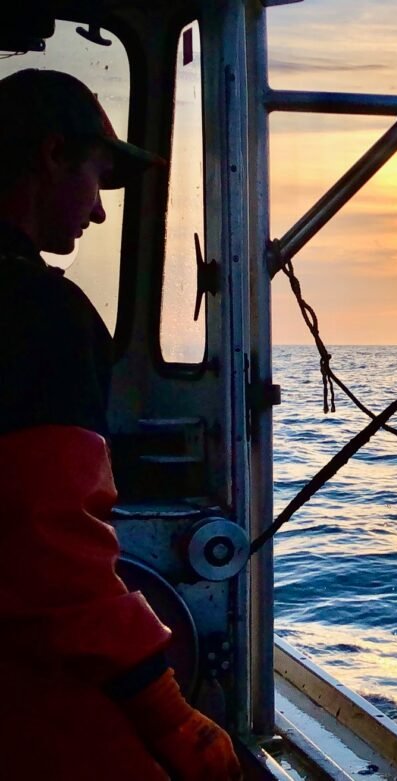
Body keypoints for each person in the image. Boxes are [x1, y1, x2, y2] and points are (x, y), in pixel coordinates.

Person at [0, 69, 242, 780]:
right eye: (99, 178)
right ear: (51, 155)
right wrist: (167, 713)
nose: (101, 215)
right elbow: (50, 548)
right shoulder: (39, 313)